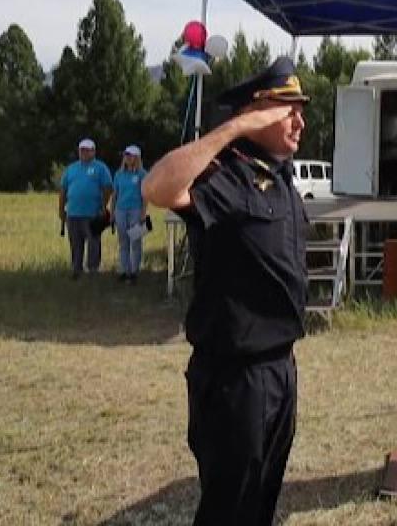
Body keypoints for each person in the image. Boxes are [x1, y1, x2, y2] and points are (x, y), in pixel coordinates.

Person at [142, 56, 310, 526]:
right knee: (227, 510)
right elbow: (157, 187)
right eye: (288, 108)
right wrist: (232, 128)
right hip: (237, 379)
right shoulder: (226, 174)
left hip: (280, 369)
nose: (300, 120)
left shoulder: (280, 178)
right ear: (258, 112)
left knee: (261, 503)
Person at [58, 138, 113, 279]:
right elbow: (63, 189)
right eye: (82, 150)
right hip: (73, 212)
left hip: (93, 213)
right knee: (75, 243)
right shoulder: (71, 168)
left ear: (93, 151)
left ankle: (93, 269)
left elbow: (108, 187)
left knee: (93, 241)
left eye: (87, 150)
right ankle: (76, 269)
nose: (84, 152)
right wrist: (61, 209)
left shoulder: (100, 168)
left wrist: (103, 205)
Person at [111, 144, 148, 284]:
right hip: (120, 210)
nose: (127, 157)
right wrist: (112, 212)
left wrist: (143, 212)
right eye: (126, 154)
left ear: (136, 157)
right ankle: (124, 270)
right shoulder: (119, 174)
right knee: (123, 241)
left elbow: (145, 195)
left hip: (136, 210)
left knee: (135, 241)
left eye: (130, 155)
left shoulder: (142, 174)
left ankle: (134, 271)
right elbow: (115, 194)